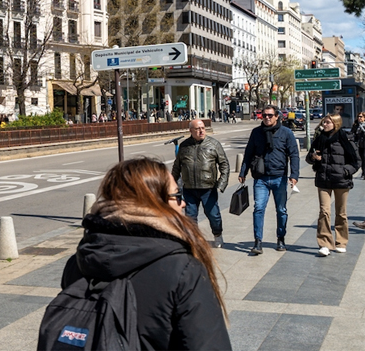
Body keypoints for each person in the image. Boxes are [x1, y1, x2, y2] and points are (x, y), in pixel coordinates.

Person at [61, 157, 231, 349]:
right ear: (155, 202)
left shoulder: (78, 263)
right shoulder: (182, 270)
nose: (182, 204)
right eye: (177, 195)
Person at [239, 105, 300, 255]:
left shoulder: (286, 133)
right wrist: (243, 172)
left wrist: (295, 175)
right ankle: (258, 241)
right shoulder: (256, 132)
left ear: (277, 116)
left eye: (270, 115)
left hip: (280, 177)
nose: (267, 117)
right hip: (261, 178)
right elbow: (248, 153)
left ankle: (281, 238)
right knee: (259, 208)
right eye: (264, 115)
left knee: (281, 210)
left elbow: (294, 154)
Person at [172, 119, 230, 248]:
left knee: (213, 215)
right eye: (197, 129)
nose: (201, 131)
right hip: (189, 189)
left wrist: (221, 184)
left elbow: (224, 164)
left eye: (203, 128)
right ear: (190, 130)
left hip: (208, 188)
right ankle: (194, 240)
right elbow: (177, 167)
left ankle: (217, 234)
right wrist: (172, 183)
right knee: (190, 217)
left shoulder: (214, 144)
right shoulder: (184, 146)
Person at [308, 114, 360, 255]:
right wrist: (313, 158)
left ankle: (341, 242)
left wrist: (345, 171)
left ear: (335, 123)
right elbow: (309, 157)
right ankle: (325, 243)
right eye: (324, 122)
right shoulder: (319, 139)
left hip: (341, 180)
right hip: (323, 179)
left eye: (327, 122)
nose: (324, 124)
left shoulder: (346, 138)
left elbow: (356, 161)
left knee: (341, 213)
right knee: (324, 211)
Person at [351, 112, 365, 179]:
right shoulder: (356, 125)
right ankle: (363, 172)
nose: (359, 118)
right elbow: (352, 133)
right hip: (359, 145)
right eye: (358, 116)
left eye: (361, 117)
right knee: (361, 159)